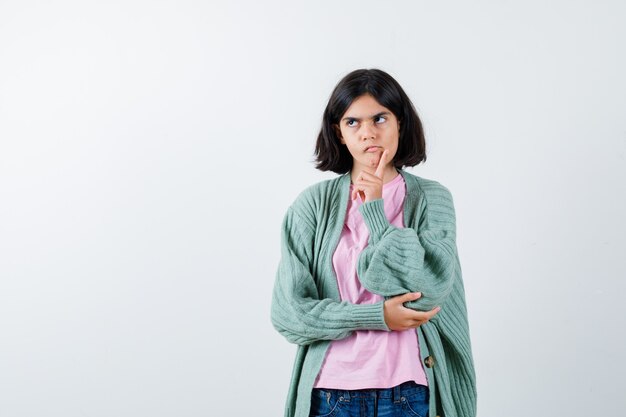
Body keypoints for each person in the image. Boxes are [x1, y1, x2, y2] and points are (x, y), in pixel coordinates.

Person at [270, 68, 477, 417]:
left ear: (401, 123)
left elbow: (427, 291)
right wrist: (378, 315)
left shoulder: (432, 199)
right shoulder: (311, 206)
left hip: (408, 393)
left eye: (380, 118)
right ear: (338, 132)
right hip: (330, 393)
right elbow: (290, 313)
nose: (368, 133)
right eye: (353, 122)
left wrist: (376, 210)